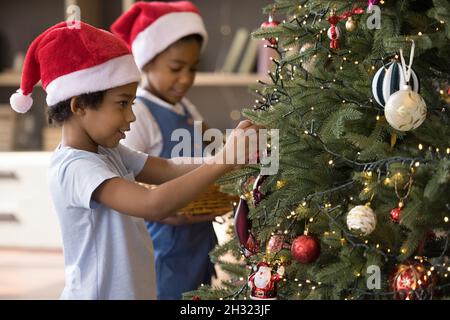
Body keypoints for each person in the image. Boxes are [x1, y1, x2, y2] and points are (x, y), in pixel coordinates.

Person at [9, 21, 259, 300]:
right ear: (78, 105)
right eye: (122, 103)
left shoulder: (106, 151)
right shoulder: (75, 167)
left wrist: (231, 158)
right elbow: (152, 204)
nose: (131, 116)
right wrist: (223, 162)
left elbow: (166, 168)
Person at [111, 1, 220, 299]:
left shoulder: (188, 109)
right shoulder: (139, 113)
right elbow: (125, 182)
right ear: (146, 62)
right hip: (163, 243)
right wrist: (167, 213)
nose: (186, 78)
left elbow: (214, 152)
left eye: (193, 68)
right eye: (176, 68)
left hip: (199, 237)